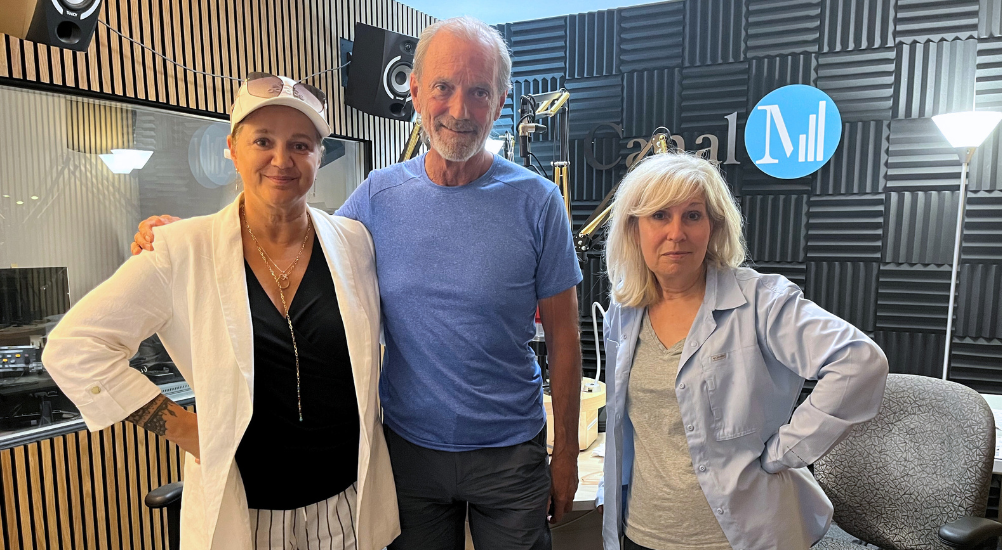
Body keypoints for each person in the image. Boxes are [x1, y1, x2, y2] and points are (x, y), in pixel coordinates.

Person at [132, 16, 583, 550]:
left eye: (479, 92)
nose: (460, 110)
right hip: (407, 452)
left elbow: (565, 339)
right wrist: (194, 235)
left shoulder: (537, 202)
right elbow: (293, 233)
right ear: (415, 91)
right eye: (443, 87)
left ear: (502, 99)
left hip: (511, 454)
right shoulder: (379, 196)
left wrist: (565, 456)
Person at [43, 74, 399, 550]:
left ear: (319, 156)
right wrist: (184, 428)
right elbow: (74, 348)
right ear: (232, 149)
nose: (281, 159)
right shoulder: (181, 249)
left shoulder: (354, 243)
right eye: (262, 141)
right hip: (245, 515)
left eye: (300, 144)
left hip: (346, 506)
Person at [596, 152, 889, 550]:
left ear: (713, 227)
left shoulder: (761, 301)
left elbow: (859, 362)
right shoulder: (624, 313)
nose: (677, 233)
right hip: (644, 531)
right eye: (660, 215)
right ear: (634, 228)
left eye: (693, 216)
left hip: (738, 537)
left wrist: (785, 452)